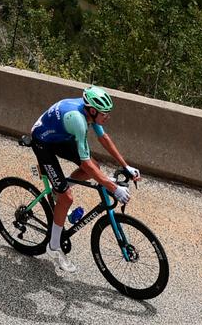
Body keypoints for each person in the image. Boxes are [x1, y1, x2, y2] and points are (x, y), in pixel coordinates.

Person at [27, 86, 140, 273]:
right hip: (43, 141)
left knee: (92, 170)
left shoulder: (89, 111)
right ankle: (53, 248)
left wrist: (125, 165)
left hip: (61, 135)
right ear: (93, 110)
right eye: (105, 114)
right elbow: (86, 163)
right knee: (67, 198)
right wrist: (113, 187)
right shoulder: (78, 120)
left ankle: (58, 188)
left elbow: (103, 137)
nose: (108, 117)